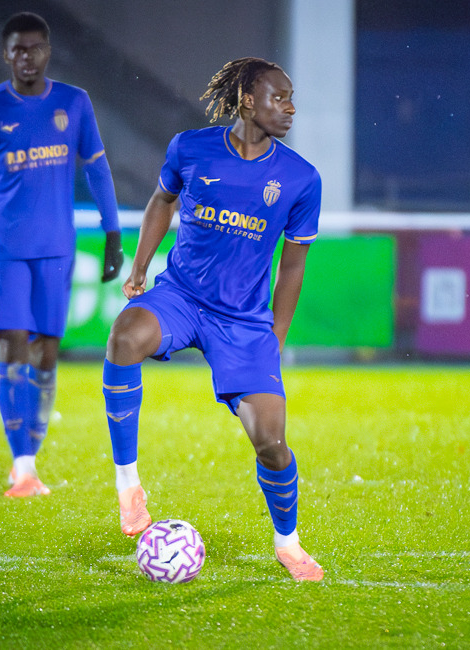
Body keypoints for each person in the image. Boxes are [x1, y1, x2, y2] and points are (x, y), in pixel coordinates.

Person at [102, 57, 324, 581]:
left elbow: (293, 264)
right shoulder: (190, 148)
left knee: (270, 441)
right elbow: (162, 200)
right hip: (180, 296)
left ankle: (287, 543)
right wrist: (139, 269)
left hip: (244, 323)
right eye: (279, 97)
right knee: (123, 339)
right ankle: (128, 486)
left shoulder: (300, 178)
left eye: (291, 98)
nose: (289, 108)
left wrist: (276, 336)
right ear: (248, 99)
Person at [0, 12, 123, 498]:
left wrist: (113, 234)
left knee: (47, 352)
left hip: (57, 249)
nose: (27, 57)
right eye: (18, 49)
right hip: (5, 251)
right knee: (13, 341)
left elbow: (99, 170)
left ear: (47, 52)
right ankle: (22, 464)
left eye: (35, 48)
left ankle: (30, 453)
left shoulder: (73, 103)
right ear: (6, 54)